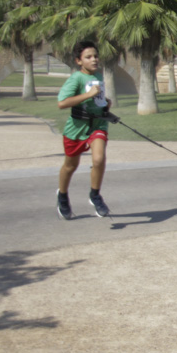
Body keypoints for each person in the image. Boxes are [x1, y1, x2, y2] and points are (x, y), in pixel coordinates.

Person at [56, 40, 116, 219]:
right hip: (76, 128)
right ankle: (62, 195)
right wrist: (88, 95)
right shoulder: (76, 78)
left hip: (97, 125)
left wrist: (105, 104)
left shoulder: (98, 76)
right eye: (88, 57)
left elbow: (97, 100)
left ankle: (95, 195)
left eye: (96, 56)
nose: (94, 59)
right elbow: (62, 103)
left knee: (98, 159)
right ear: (79, 61)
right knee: (70, 166)